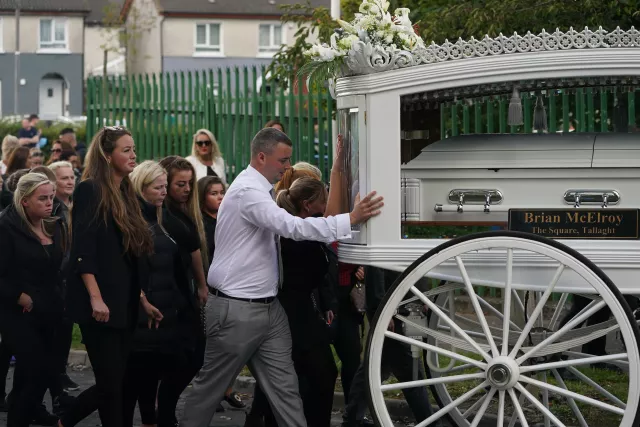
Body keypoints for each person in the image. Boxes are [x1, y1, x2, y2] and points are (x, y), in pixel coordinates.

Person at [179, 128, 384, 427]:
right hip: (236, 309)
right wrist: (350, 219)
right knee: (209, 389)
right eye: (283, 160)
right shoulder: (248, 192)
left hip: (268, 308)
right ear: (262, 157)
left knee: (285, 389)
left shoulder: (258, 189)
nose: (288, 167)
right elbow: (292, 227)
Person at [59, 126, 155, 427]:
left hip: (124, 301)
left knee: (116, 383)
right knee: (110, 385)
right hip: (99, 305)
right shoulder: (90, 189)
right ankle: (65, 421)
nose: (133, 155)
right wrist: (95, 298)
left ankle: (64, 422)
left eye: (133, 148)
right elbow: (83, 249)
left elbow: (128, 255)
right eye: (126, 149)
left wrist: (142, 299)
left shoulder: (127, 191)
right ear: (106, 154)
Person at [123, 160, 187, 427]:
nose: (164, 192)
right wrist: (143, 301)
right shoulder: (134, 220)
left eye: (164, 186)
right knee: (130, 386)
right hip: (142, 316)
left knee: (149, 380)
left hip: (162, 313)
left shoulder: (159, 218)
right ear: (141, 187)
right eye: (158, 187)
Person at [0, 172, 66, 427]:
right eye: (42, 198)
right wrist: (19, 296)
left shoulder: (53, 223)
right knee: (34, 370)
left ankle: (21, 419)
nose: (49, 203)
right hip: (18, 313)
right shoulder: (6, 226)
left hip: (50, 310)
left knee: (39, 375)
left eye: (51, 197)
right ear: (25, 200)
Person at [48, 161, 78, 393]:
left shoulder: (76, 205)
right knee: (55, 331)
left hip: (72, 275)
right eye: (64, 178)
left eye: (71, 177)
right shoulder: (53, 209)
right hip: (57, 275)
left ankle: (61, 372)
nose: (70, 181)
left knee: (66, 329)